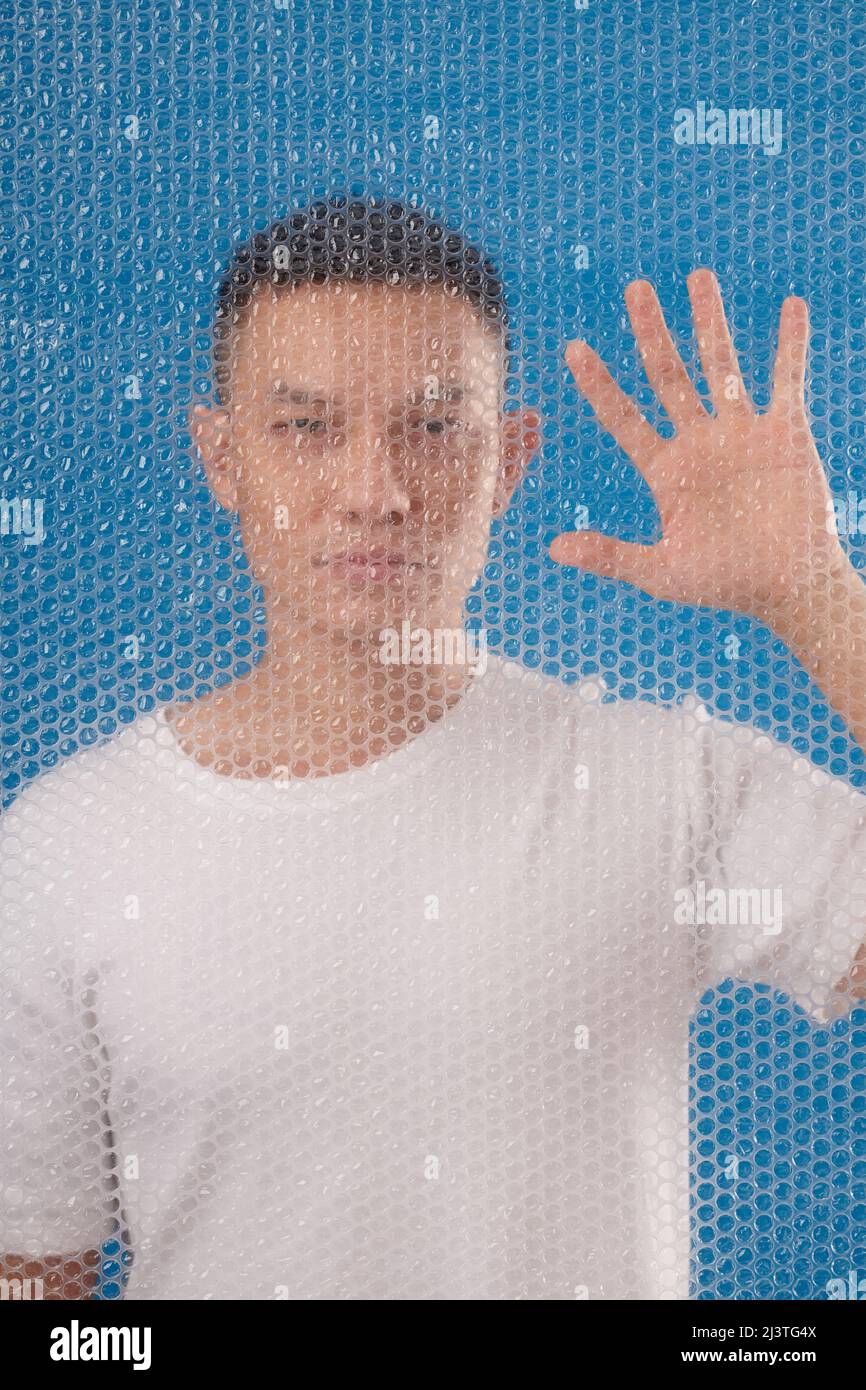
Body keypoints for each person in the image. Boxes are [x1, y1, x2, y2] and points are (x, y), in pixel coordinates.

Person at [3, 193, 866, 1302]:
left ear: (510, 458)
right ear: (219, 458)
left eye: (432, 424)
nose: (374, 493)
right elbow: (39, 1298)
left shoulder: (669, 787)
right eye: (305, 427)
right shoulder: (61, 850)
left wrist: (817, 600)